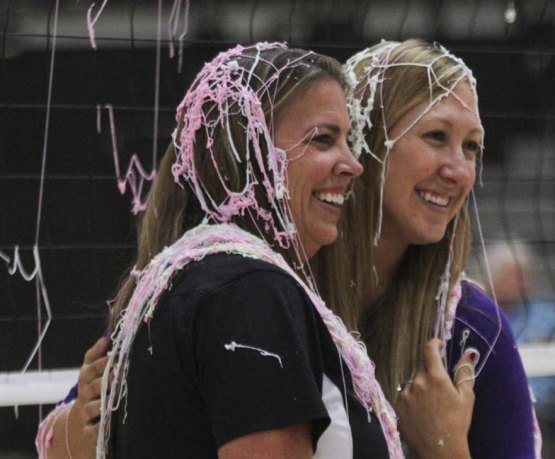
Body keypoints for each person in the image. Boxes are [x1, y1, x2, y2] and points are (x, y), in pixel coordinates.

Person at [35, 42, 476, 459]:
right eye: (323, 139)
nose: (353, 164)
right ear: (248, 149)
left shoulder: (184, 275)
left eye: (349, 140)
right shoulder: (249, 290)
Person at [314, 39, 542, 458]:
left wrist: (447, 446)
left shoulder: (473, 328)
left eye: (471, 146)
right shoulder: (276, 295)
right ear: (365, 140)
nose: (458, 170)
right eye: (436, 136)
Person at [484, 239, 555, 458]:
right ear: (492, 276)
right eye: (514, 274)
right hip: (499, 410)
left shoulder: (547, 311)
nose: (523, 282)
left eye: (527, 274)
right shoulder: (482, 316)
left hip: (551, 415)